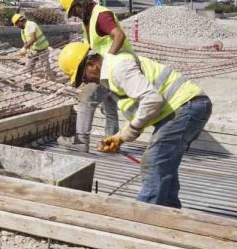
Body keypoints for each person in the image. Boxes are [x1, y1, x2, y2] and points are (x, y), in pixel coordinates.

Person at [58, 42, 212, 208]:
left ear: (91, 64)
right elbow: (143, 110)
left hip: (187, 106)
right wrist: (119, 137)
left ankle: (143, 216)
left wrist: (129, 132)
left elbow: (152, 100)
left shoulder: (118, 69)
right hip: (186, 107)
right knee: (164, 163)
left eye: (84, 77)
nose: (86, 82)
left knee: (154, 160)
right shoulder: (112, 74)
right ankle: (170, 211)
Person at [58, 0, 135, 151]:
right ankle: (110, 141)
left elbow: (119, 35)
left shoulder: (101, 15)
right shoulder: (88, 19)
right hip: (106, 67)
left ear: (81, 3)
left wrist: (107, 63)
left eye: (75, 11)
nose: (75, 15)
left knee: (86, 98)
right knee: (109, 105)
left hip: (112, 65)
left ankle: (80, 142)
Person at [11, 13, 54, 81]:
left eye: (17, 25)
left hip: (42, 49)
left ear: (20, 21)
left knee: (45, 67)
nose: (17, 26)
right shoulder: (23, 30)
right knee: (28, 66)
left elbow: (33, 39)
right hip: (33, 50)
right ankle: (27, 82)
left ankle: (51, 81)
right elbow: (26, 42)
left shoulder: (30, 24)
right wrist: (25, 50)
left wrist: (24, 48)